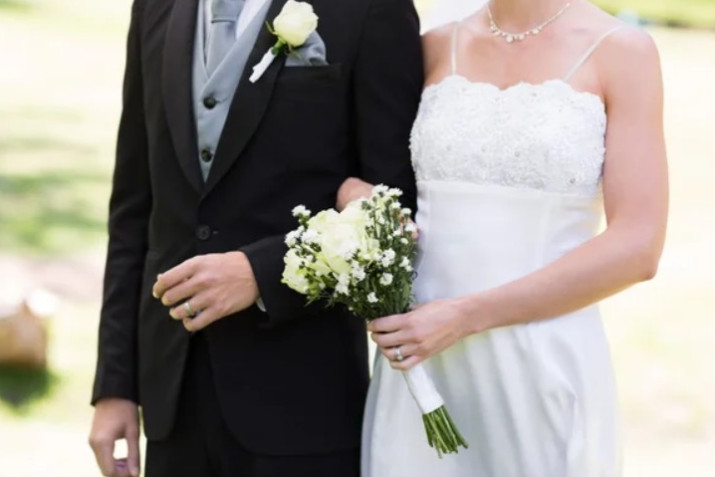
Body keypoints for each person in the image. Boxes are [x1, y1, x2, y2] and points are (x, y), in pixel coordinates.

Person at [87, 0, 422, 475]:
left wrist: (263, 273)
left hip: (302, 405)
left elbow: (393, 211)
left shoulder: (371, 9)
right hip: (173, 402)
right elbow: (134, 210)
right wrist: (116, 385)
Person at [357, 0, 668, 475]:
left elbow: (638, 245)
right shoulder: (433, 47)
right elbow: (371, 178)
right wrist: (355, 199)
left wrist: (464, 317)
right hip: (421, 364)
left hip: (541, 361)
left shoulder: (622, 51)